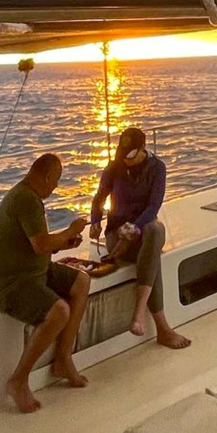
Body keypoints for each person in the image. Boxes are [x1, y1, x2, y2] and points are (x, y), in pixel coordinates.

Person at [0, 153, 91, 413]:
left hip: (36, 270)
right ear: (45, 176)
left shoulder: (31, 198)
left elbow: (40, 245)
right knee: (59, 311)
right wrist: (71, 231)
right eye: (55, 180)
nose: (55, 188)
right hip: (9, 282)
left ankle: (63, 358)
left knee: (81, 282)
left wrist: (65, 242)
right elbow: (41, 243)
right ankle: (18, 379)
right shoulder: (24, 199)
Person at [89, 127, 190, 349]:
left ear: (143, 149)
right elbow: (99, 198)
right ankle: (162, 328)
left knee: (154, 231)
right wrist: (95, 220)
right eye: (123, 156)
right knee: (152, 255)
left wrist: (134, 228)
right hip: (117, 236)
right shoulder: (114, 168)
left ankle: (139, 314)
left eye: (131, 156)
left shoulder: (157, 168)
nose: (126, 160)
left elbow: (154, 206)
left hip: (142, 231)